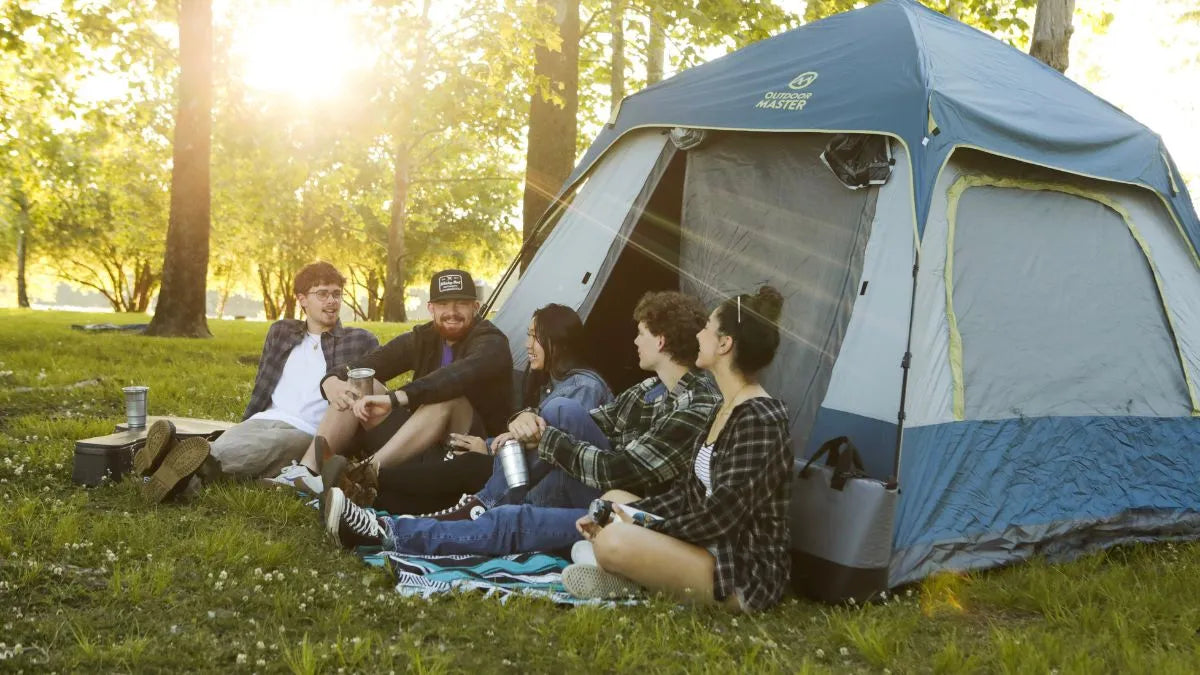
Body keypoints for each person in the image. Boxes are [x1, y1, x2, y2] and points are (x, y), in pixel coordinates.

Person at [321, 291, 721, 559]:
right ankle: (472, 508)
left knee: (513, 519)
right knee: (560, 413)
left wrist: (539, 437)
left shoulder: (695, 403)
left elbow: (620, 471)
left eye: (641, 333)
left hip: (632, 514)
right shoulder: (649, 389)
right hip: (596, 489)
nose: (634, 341)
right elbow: (588, 422)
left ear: (662, 341)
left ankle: (385, 531)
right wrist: (521, 423)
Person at [562, 285, 792, 614]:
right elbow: (688, 494)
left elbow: (720, 518)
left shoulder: (759, 421)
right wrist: (621, 513)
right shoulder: (724, 408)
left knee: (611, 541)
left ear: (725, 344)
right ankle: (633, 575)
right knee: (613, 498)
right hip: (706, 545)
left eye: (708, 329)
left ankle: (630, 573)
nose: (698, 334)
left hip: (738, 571)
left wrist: (638, 524)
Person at [134, 261, 379, 503]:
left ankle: (171, 466)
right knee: (236, 444)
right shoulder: (282, 332)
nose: (332, 301)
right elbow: (263, 382)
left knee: (242, 452)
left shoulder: (359, 340)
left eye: (336, 294)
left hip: (308, 431)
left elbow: (372, 392)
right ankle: (178, 471)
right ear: (302, 299)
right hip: (263, 419)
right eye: (322, 294)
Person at [337, 303, 613, 516]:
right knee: (455, 481)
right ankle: (371, 496)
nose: (527, 345)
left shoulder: (583, 389)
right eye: (528, 336)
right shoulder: (548, 383)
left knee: (469, 470)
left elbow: (565, 453)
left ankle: (370, 478)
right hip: (517, 470)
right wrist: (490, 443)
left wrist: (491, 447)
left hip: (548, 489)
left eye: (535, 337)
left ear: (560, 341)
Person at [266, 269, 513, 497]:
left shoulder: (491, 342)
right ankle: (307, 472)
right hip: (418, 442)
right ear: (431, 308)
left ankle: (360, 475)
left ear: (476, 307)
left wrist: (394, 399)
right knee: (361, 381)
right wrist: (331, 380)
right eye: (443, 304)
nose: (452, 312)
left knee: (446, 398)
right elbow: (370, 362)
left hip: (468, 449)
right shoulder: (424, 337)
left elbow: (452, 378)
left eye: (461, 303)